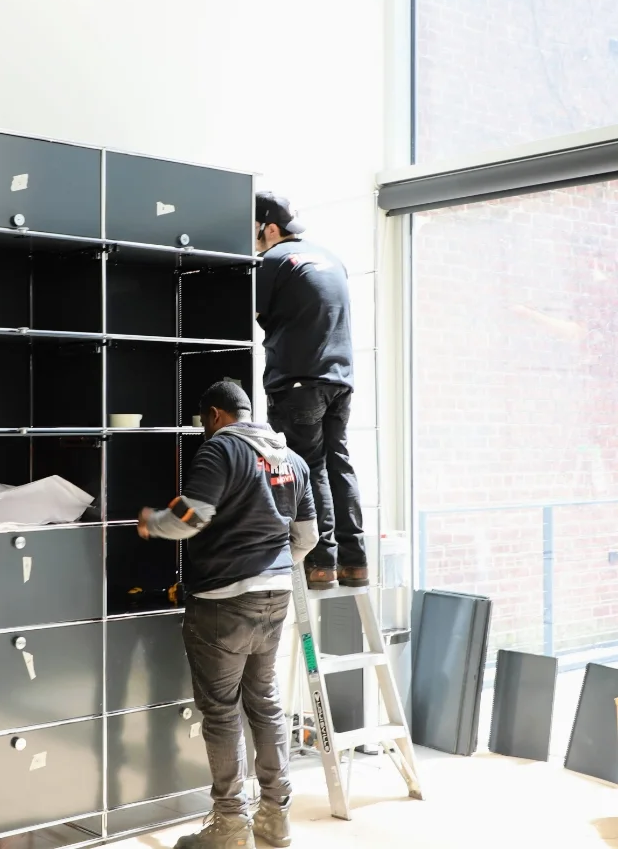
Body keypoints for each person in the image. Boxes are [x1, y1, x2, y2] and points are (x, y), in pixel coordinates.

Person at [137, 381, 317, 849]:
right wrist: (272, 567)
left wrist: (151, 521)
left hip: (222, 601)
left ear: (215, 415)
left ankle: (229, 825)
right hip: (275, 600)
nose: (203, 430)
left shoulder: (220, 450)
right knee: (265, 702)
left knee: (221, 713)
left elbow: (188, 517)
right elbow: (308, 537)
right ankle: (276, 818)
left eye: (202, 422)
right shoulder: (291, 459)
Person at [254, 190, 368, 590]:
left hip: (299, 382)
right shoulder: (331, 258)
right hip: (340, 380)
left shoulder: (271, 261)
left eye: (254, 231)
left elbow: (255, 314)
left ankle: (321, 563)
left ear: (268, 228)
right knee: (339, 464)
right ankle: (354, 562)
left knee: (310, 468)